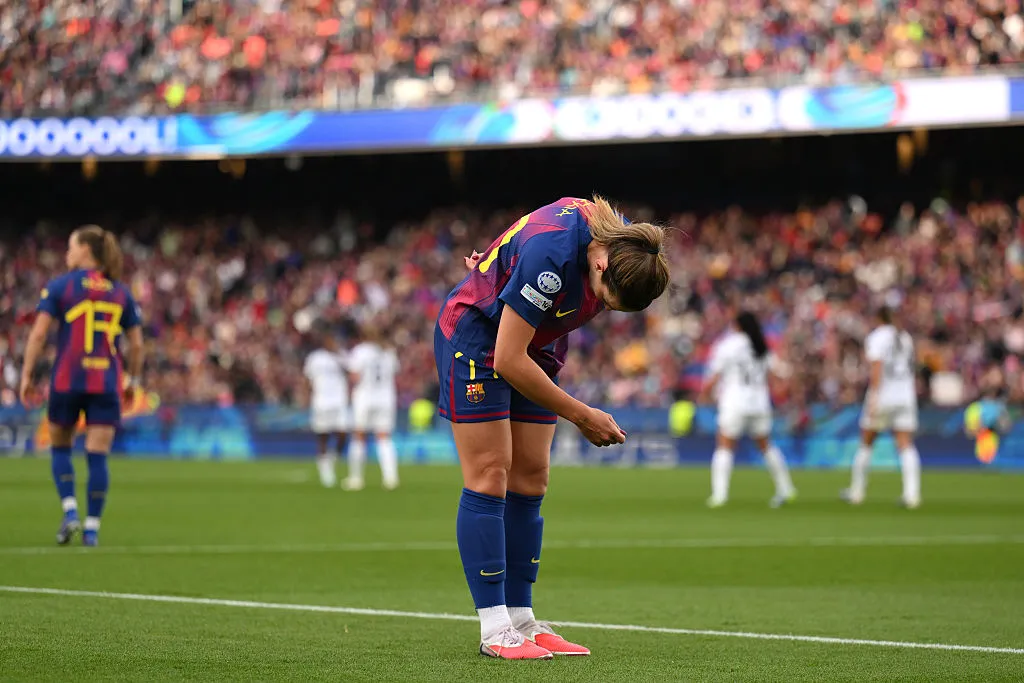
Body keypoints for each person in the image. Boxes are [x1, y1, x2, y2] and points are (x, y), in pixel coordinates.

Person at [435, 195, 669, 659]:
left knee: (531, 477)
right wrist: (583, 415)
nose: (602, 308)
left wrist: (499, 262)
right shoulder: (554, 255)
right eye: (604, 299)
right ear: (599, 263)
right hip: (481, 340)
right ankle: (495, 627)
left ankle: (522, 618)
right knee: (491, 472)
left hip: (539, 340)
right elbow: (506, 357)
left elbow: (518, 234)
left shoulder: (624, 240)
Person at [19, 226, 144, 547]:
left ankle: (70, 510)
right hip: (106, 381)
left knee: (60, 447)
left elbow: (38, 334)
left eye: (71, 247)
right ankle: (92, 530)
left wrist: (27, 375)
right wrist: (133, 380)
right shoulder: (121, 292)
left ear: (86, 251)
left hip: (67, 379)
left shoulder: (61, 286)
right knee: (98, 457)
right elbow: (138, 346)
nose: (67, 253)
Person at [701, 311, 796, 508]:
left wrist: (705, 394)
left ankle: (720, 495)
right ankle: (786, 488)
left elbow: (715, 375)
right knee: (767, 446)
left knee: (725, 447)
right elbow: (780, 375)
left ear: (736, 325)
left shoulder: (728, 345)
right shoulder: (761, 345)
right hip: (759, 403)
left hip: (735, 402)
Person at [842, 306, 921, 508]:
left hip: (884, 395)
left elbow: (877, 368)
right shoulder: (905, 338)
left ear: (878, 318)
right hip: (905, 396)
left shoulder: (877, 337)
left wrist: (874, 397)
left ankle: (857, 492)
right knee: (905, 444)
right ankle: (912, 495)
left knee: (866, 441)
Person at [345, 324, 400, 491]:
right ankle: (391, 478)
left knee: (359, 437)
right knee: (384, 437)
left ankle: (356, 479)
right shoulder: (388, 352)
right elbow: (395, 372)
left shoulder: (360, 351)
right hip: (385, 398)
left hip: (365, 397)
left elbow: (354, 376)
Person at [303, 326, 350, 488]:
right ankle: (325, 471)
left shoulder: (342, 356)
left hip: (339, 401)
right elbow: (307, 379)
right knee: (323, 436)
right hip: (321, 401)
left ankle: (331, 459)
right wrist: (305, 397)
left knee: (343, 434)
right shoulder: (315, 358)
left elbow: (351, 373)